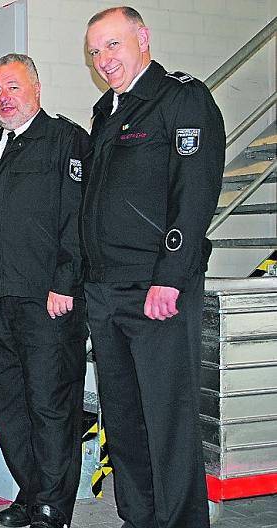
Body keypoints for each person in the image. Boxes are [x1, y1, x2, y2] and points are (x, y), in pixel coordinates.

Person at [83, 7, 224, 528]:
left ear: (142, 38)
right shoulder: (107, 110)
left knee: (168, 420)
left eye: (112, 45)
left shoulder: (181, 98)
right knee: (124, 419)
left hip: (155, 288)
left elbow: (194, 194)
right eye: (94, 52)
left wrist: (170, 276)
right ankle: (138, 518)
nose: (103, 60)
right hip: (105, 290)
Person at [0, 54, 89, 528]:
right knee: (10, 404)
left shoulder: (65, 140)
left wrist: (65, 281)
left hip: (48, 302)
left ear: (36, 88)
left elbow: (78, 217)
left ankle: (53, 505)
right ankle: (31, 493)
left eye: (13, 87)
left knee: (51, 405)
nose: (4, 98)